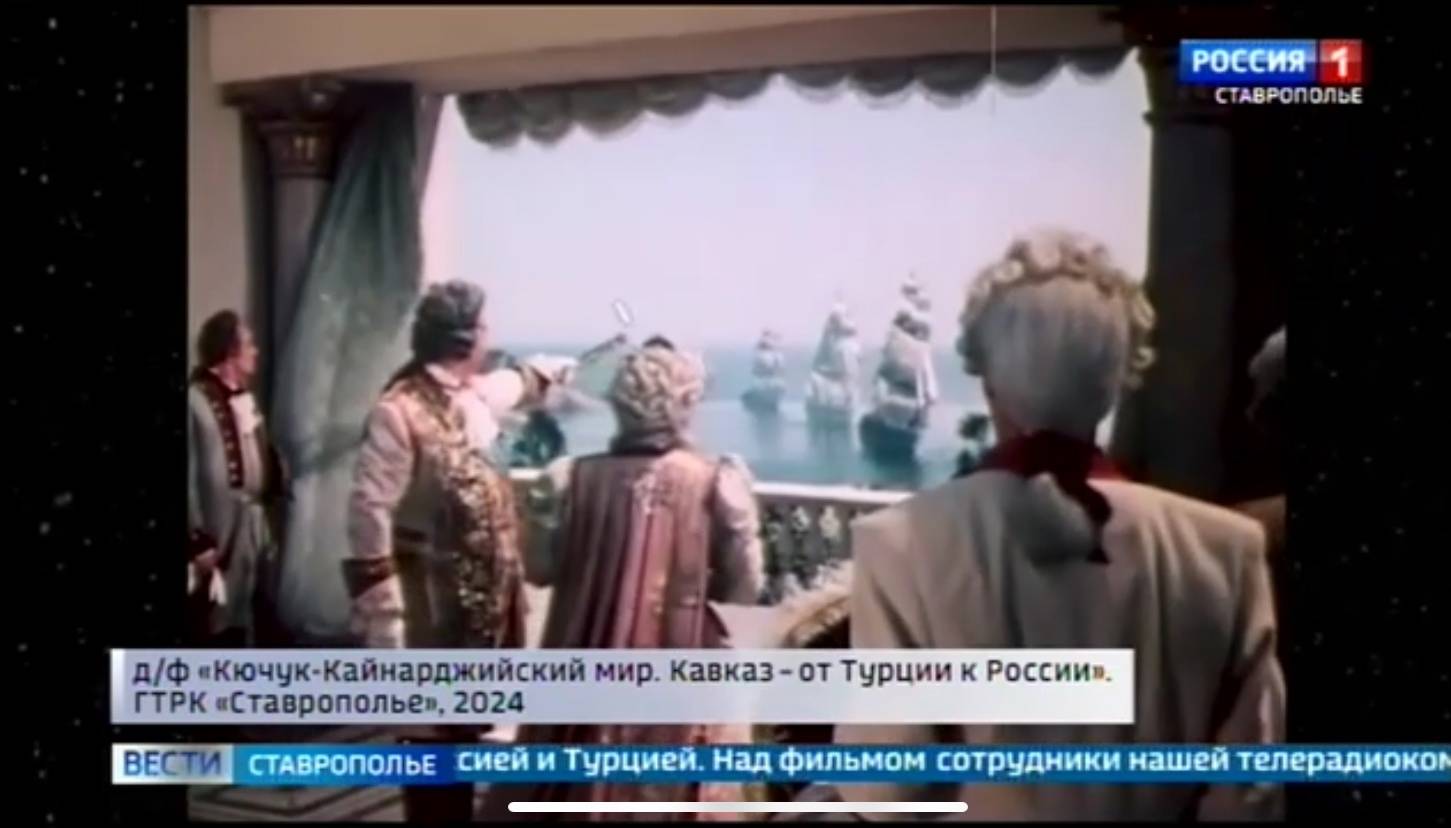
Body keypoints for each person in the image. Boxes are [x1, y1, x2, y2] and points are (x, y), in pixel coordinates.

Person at [833, 229, 1285, 821]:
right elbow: (1251, 796)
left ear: (988, 382)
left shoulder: (899, 543)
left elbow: (887, 792)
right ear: (1116, 383)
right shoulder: (1228, 552)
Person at [483, 341, 765, 821]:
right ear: (684, 406)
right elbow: (745, 587)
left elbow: (539, 569)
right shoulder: (716, 482)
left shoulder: (569, 479)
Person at [344, 280, 574, 823]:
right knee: (431, 751)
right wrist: (386, 624)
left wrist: (542, 375)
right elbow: (368, 515)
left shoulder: (467, 395)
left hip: (478, 615)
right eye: (485, 326)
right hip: (428, 616)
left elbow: (507, 386)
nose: (490, 335)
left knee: (464, 741)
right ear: (465, 337)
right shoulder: (398, 412)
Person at [187, 310, 287, 647]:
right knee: (216, 622)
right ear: (230, 351)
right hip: (219, 530)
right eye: (249, 345)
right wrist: (197, 540)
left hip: (252, 524)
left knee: (250, 615)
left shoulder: (245, 400)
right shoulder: (194, 402)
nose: (255, 352)